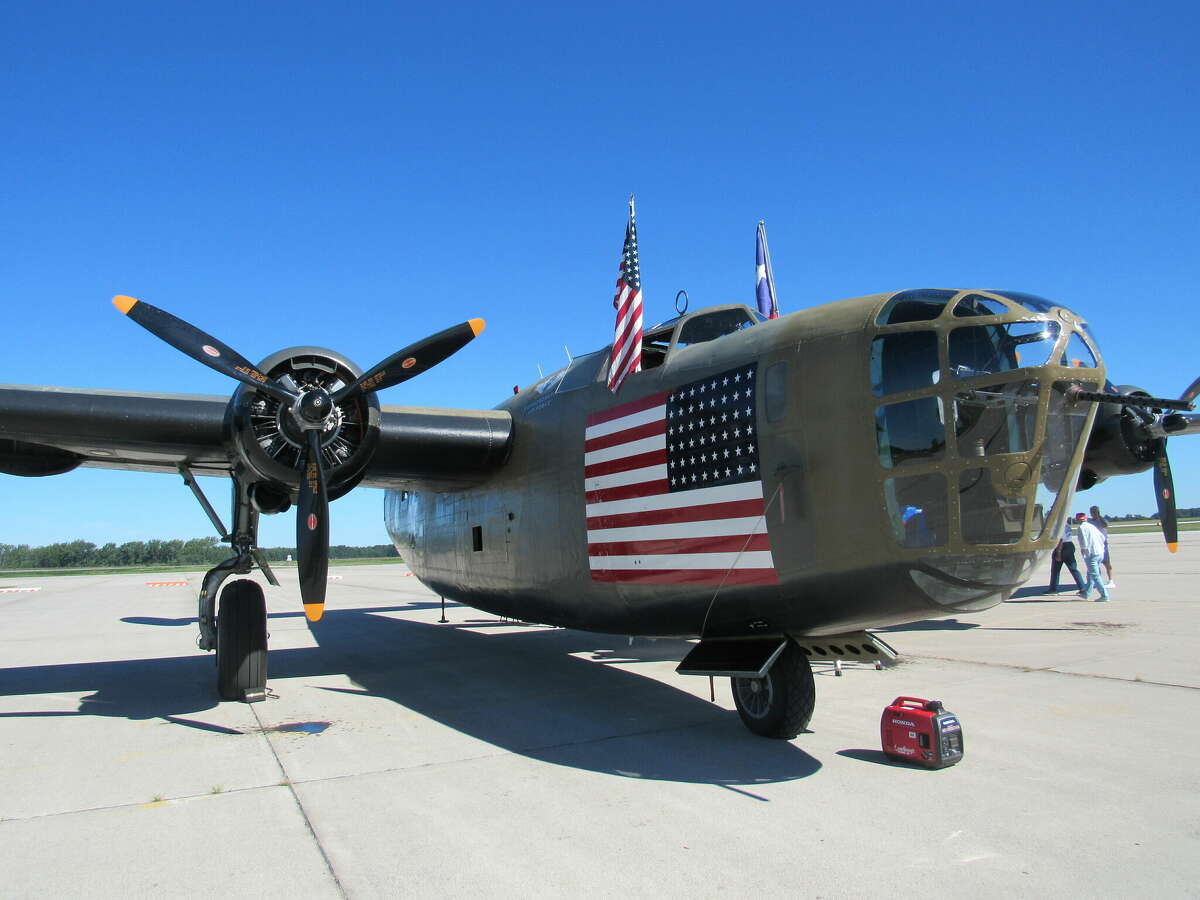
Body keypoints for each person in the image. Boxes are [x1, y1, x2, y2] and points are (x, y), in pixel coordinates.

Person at [1046, 514, 1085, 594]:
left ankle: (1053, 589)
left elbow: (1060, 539)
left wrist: (1058, 553)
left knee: (1055, 569)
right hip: (1069, 544)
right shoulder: (1065, 523)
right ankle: (1082, 587)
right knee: (1073, 568)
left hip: (1062, 546)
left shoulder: (1058, 524)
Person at [1076, 512, 1109, 601]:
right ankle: (1087, 593)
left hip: (1091, 554)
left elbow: (1084, 543)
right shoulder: (1092, 526)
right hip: (1099, 552)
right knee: (1090, 574)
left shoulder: (1081, 528)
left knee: (1095, 575)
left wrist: (1083, 552)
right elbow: (1102, 537)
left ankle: (1104, 595)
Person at [1089, 505, 1115, 588]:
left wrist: (1099, 516)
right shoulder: (1089, 521)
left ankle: (1111, 580)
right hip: (1093, 544)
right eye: (1092, 512)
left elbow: (1105, 525)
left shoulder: (1102, 520)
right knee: (1094, 563)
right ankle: (1096, 581)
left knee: (1106, 562)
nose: (1093, 513)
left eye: (1094, 511)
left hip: (1102, 544)